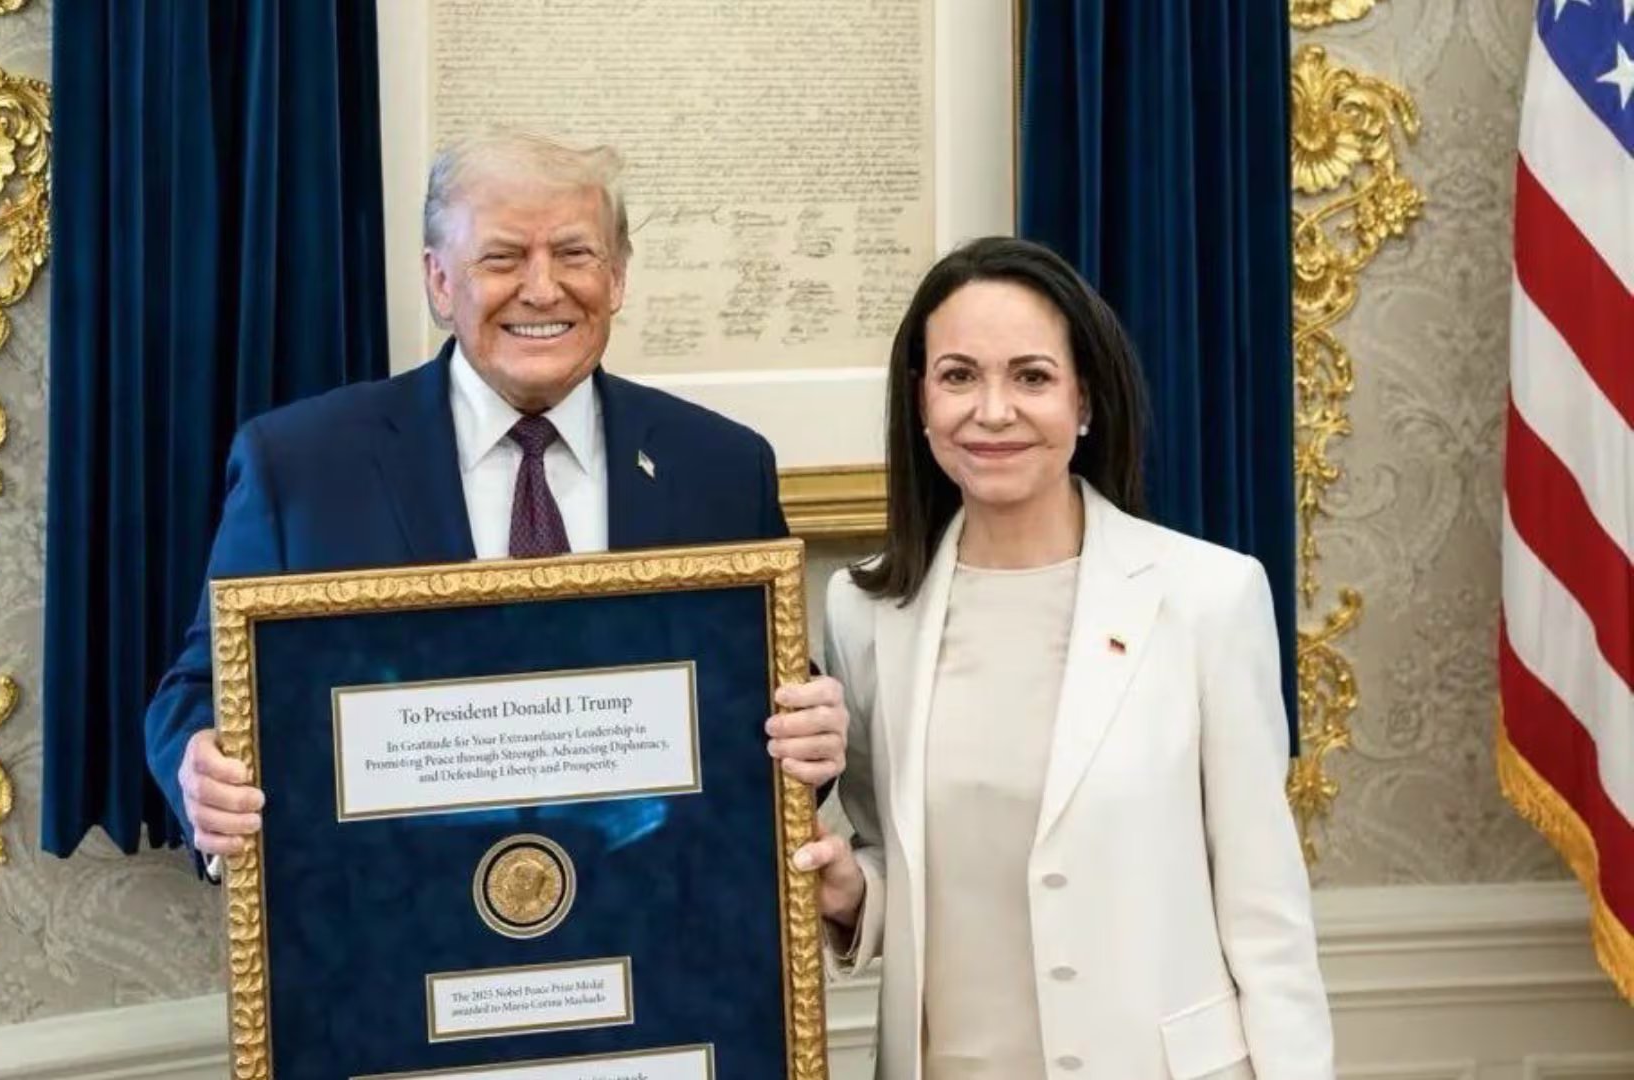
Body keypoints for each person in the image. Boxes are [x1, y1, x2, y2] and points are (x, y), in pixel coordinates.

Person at [144, 132, 848, 866]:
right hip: (390, 928)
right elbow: (200, 689)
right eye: (503, 258)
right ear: (441, 282)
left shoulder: (722, 468)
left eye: (575, 254)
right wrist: (201, 768)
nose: (543, 289)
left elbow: (767, 699)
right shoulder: (301, 467)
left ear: (618, 278)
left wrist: (814, 737)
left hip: (654, 922)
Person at [793, 237, 1332, 1078]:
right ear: (921, 402)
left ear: (1085, 402)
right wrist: (851, 894)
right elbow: (895, 856)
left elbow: (1267, 912)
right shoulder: (863, 612)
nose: (993, 411)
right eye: (959, 376)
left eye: (1032, 377)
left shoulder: (1207, 597)